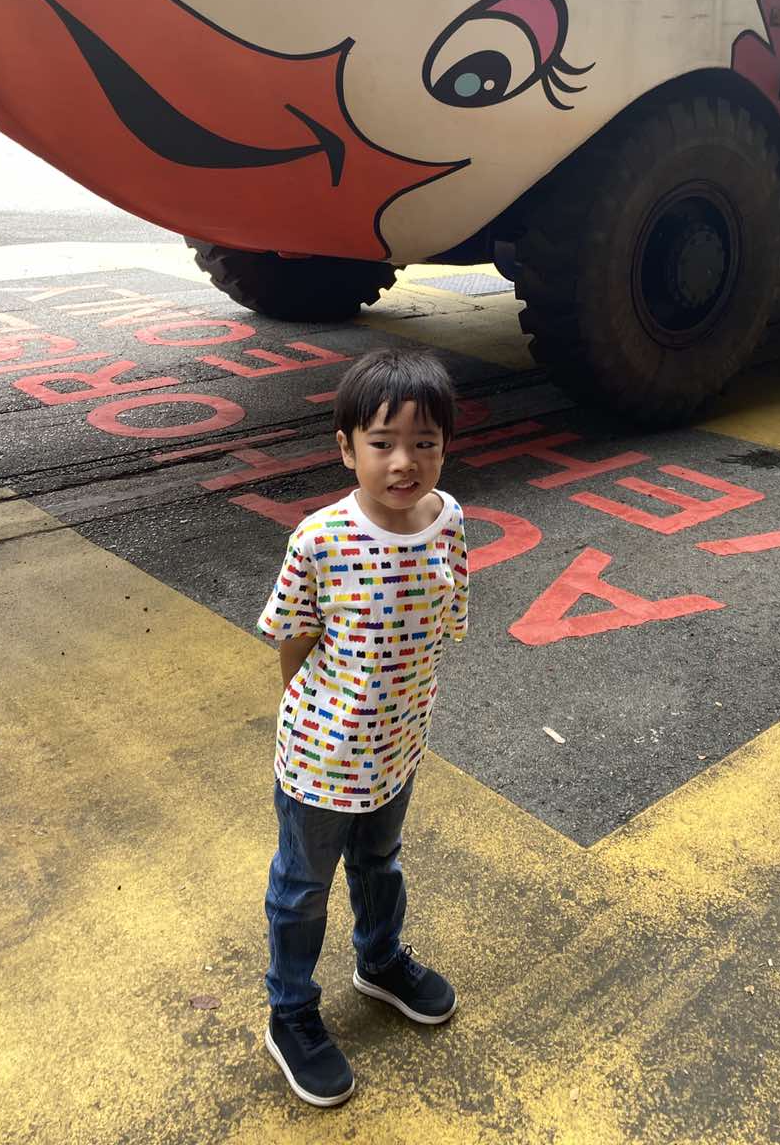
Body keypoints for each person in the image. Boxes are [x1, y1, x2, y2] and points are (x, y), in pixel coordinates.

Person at [258, 348, 469, 1107]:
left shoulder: (449, 522)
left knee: (381, 863)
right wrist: (320, 717)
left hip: (399, 745)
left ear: (446, 446)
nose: (404, 462)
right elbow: (293, 637)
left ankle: (379, 961)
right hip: (321, 758)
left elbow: (449, 616)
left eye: (426, 443)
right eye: (381, 443)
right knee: (303, 888)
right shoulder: (320, 539)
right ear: (346, 447)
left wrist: (391, 723)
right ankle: (290, 1014)